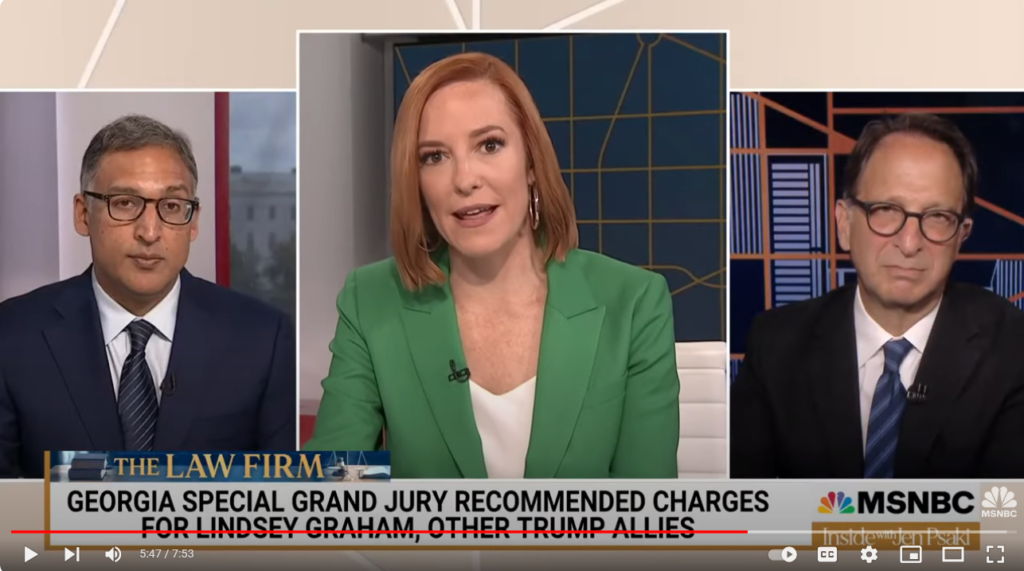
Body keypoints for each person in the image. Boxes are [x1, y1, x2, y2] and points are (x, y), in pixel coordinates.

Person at [304, 52, 679, 479]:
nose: (464, 179)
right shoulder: (371, 300)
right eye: (434, 157)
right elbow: (333, 482)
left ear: (532, 163)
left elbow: (646, 506)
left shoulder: (632, 303)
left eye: (489, 145)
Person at [0, 114, 296, 478]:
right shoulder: (12, 336)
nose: (150, 232)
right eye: (125, 203)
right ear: (83, 214)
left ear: (193, 221)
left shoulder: (264, 339)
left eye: (171, 206)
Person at [730, 112, 1024, 479]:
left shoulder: (1011, 350)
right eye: (886, 210)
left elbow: (1005, 510)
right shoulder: (775, 345)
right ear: (844, 224)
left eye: (937, 217)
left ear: (961, 236)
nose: (909, 243)